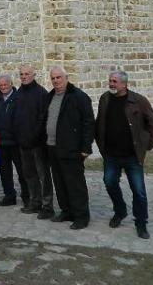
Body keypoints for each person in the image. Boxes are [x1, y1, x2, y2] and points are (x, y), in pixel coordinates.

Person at [96, 70, 153, 239]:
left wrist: (147, 145)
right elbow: (100, 122)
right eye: (110, 80)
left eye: (114, 81)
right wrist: (101, 144)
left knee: (139, 191)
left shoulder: (138, 101)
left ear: (124, 84)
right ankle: (120, 211)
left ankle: (141, 223)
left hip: (132, 156)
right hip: (111, 154)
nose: (111, 84)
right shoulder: (105, 99)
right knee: (109, 182)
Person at [43, 66, 94, 230]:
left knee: (75, 185)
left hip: (71, 148)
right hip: (53, 147)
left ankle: (81, 216)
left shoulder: (78, 96)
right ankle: (67, 211)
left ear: (66, 77)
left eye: (59, 77)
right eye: (53, 78)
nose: (56, 81)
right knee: (60, 183)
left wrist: (86, 147)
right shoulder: (50, 96)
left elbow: (88, 122)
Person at [12, 65, 54, 219]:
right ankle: (35, 202)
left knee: (43, 176)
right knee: (29, 175)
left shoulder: (41, 93)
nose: (24, 76)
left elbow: (44, 118)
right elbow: (16, 116)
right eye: (21, 74)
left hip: (38, 144)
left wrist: (36, 137)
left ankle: (47, 206)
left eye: (27, 74)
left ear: (33, 75)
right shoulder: (19, 93)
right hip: (23, 143)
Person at [0, 74, 27, 207]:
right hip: (1, 142)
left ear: (11, 84)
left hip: (16, 142)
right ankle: (9, 195)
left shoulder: (19, 98)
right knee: (5, 172)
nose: (3, 87)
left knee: (22, 171)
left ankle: (27, 196)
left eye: (5, 84)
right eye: (1, 85)